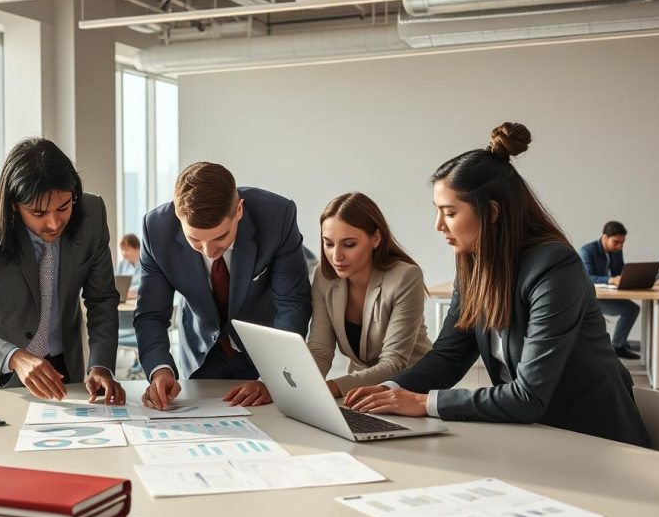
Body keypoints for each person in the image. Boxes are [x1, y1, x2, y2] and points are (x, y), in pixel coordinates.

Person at [345, 122, 649, 447]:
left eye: (449, 212)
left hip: (595, 441)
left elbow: (528, 396)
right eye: (437, 211)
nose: (438, 225)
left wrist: (423, 403)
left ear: (490, 213)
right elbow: (449, 355)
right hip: (532, 435)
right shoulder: (473, 264)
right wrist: (390, 390)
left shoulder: (555, 267)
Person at [0, 137, 125, 404]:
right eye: (38, 213)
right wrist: (14, 357)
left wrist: (100, 366)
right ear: (13, 206)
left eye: (63, 207)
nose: (54, 223)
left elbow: (101, 300)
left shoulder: (92, 215)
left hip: (66, 373)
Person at [135, 161, 312, 409]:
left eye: (220, 237)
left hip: (265, 356)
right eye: (195, 239)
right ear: (178, 215)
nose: (209, 251)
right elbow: (152, 314)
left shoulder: (277, 216)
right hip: (201, 356)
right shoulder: (155, 230)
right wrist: (160, 370)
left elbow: (293, 303)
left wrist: (275, 378)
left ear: (239, 210)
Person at [307, 192, 432, 398]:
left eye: (349, 245)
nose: (336, 256)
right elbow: (320, 350)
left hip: (409, 390)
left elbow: (394, 363)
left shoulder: (406, 276)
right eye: (328, 244)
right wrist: (296, 387)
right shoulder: (324, 276)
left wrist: (332, 387)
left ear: (376, 239)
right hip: (357, 393)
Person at [579, 221, 640, 360]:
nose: (620, 246)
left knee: (632, 309)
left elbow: (620, 273)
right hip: (590, 297)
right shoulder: (587, 251)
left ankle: (620, 342)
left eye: (622, 242)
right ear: (605, 237)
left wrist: (632, 277)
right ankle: (618, 346)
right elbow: (588, 278)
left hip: (606, 294)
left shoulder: (616, 251)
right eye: (616, 242)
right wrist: (611, 280)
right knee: (630, 310)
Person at [116, 233, 141, 299]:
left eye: (127, 249)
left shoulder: (146, 265)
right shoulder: (122, 264)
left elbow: (146, 286)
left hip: (140, 300)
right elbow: (117, 285)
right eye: (122, 250)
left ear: (137, 249)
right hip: (125, 300)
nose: (123, 253)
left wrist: (130, 291)